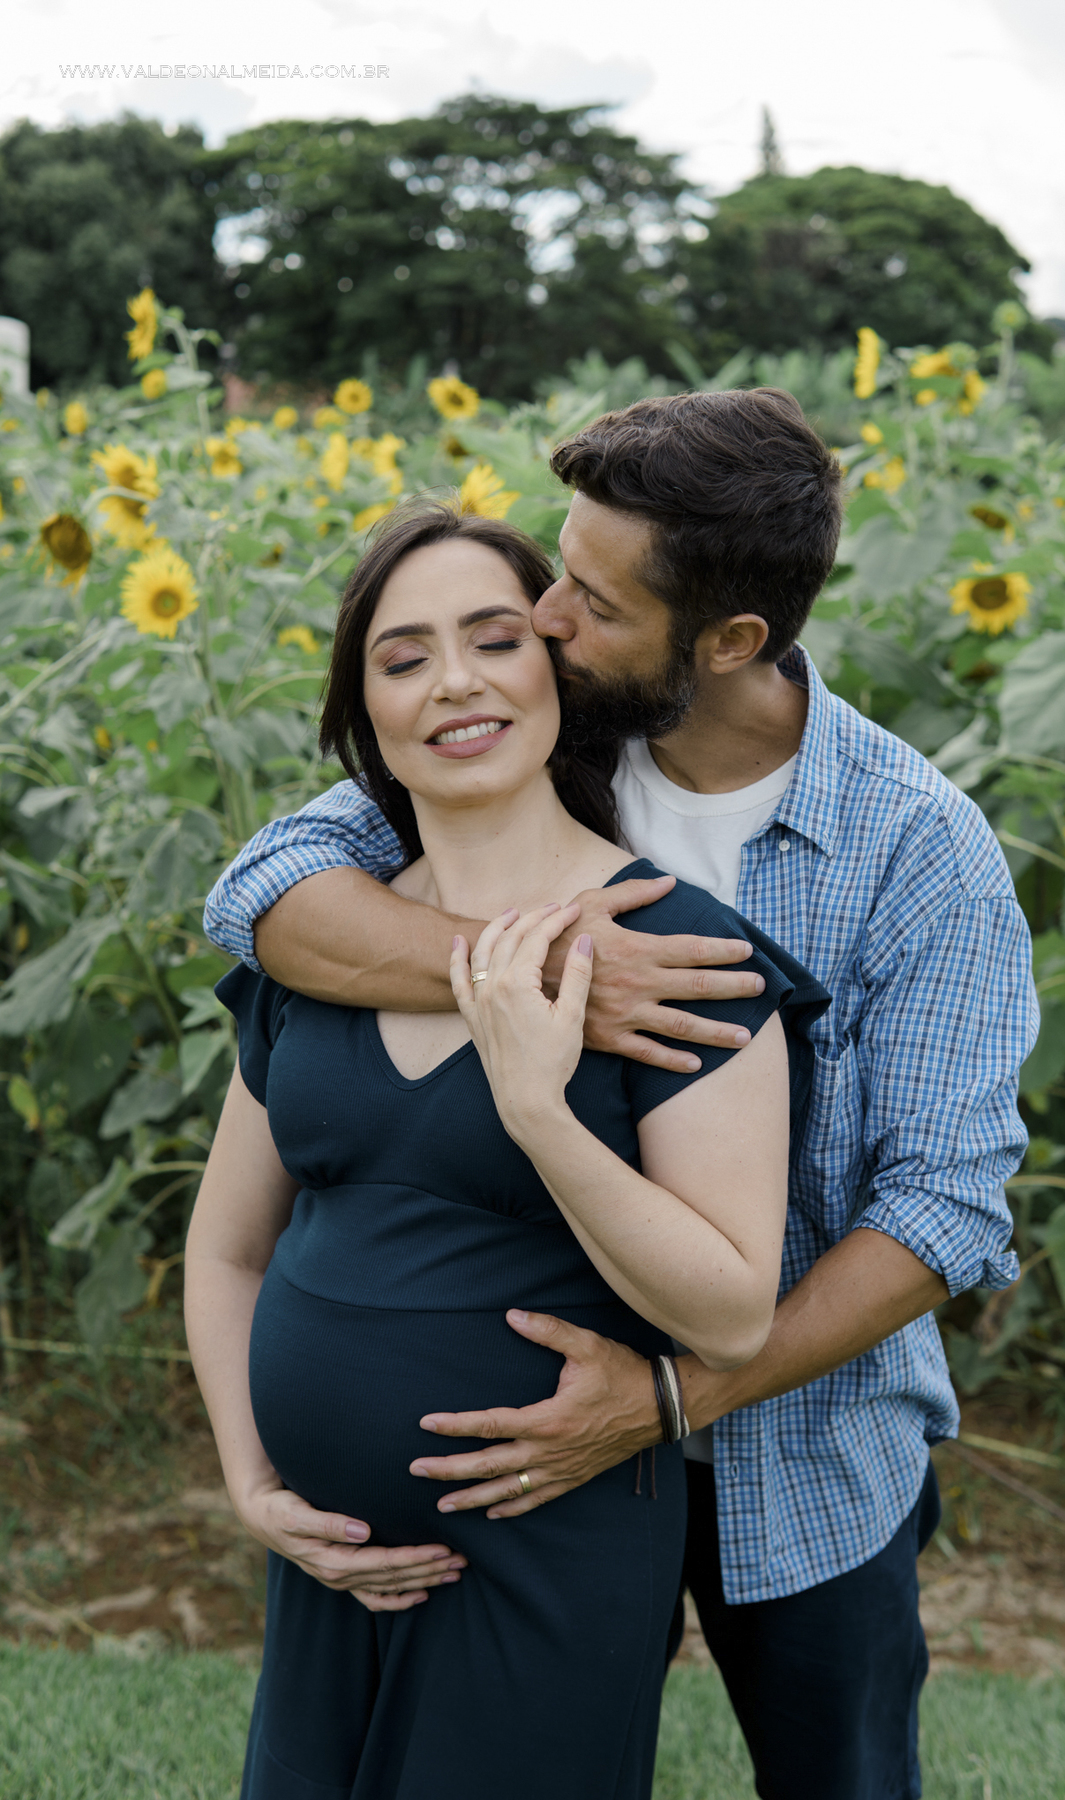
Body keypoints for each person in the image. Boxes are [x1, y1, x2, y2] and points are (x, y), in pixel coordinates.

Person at [204, 389, 1038, 1800]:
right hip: (523, 1463)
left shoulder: (919, 853)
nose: (542, 620)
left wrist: (665, 1397)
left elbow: (945, 1208)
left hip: (801, 1437)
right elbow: (270, 898)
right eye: (553, 573)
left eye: (586, 600)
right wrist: (539, 973)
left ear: (729, 644)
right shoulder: (539, 728)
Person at [186, 503, 826, 1800]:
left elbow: (730, 1308)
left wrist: (542, 1113)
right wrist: (254, 1481)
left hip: (547, 1549)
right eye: (404, 656)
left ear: (557, 670)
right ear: (362, 711)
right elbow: (229, 1243)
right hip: (328, 1563)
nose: (457, 682)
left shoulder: (674, 959)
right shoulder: (322, 942)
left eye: (494, 638)